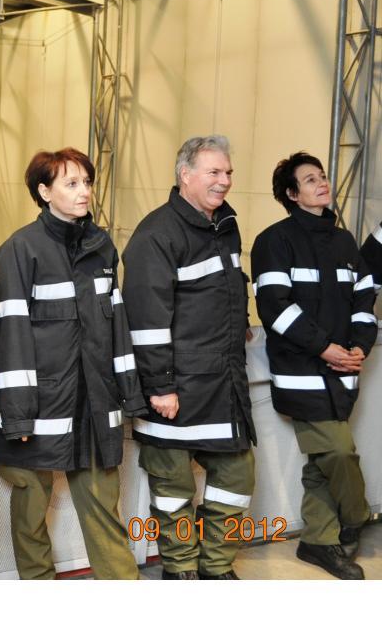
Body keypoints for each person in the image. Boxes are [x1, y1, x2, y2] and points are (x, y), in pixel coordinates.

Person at [0, 148, 148, 580]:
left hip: (94, 406)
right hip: (39, 406)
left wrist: (130, 395)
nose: (84, 192)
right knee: (30, 510)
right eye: (72, 183)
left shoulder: (102, 248)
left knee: (104, 508)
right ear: (44, 192)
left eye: (87, 182)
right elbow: (12, 337)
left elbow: (117, 328)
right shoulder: (20, 250)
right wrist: (18, 416)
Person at [122, 135, 255, 580]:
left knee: (236, 479)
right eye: (214, 172)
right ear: (185, 175)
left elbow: (232, 286)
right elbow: (146, 317)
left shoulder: (226, 225)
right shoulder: (156, 234)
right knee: (172, 488)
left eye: (228, 172)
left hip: (223, 384)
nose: (225, 181)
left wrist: (241, 323)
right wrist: (161, 386)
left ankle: (215, 568)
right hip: (175, 387)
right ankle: (180, 570)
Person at [251, 152, 375, 580]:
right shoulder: (274, 241)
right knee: (338, 450)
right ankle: (356, 515)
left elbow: (364, 300)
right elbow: (274, 307)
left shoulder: (344, 242)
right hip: (301, 373)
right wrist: (324, 348)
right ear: (291, 194)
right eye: (309, 180)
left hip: (343, 370)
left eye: (322, 176)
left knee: (322, 461)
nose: (322, 183)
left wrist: (359, 347)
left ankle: (318, 542)